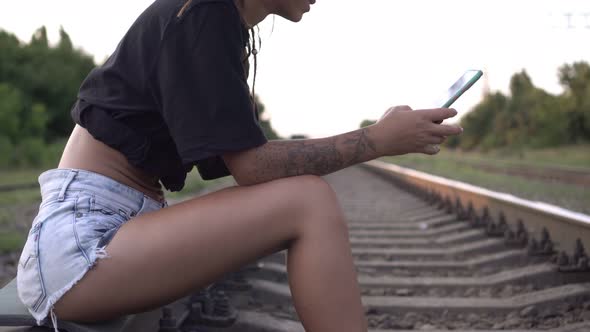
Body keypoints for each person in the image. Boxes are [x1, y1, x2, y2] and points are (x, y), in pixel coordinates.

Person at [16, 0, 463, 331]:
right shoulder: (203, 13)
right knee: (307, 201)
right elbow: (252, 167)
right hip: (82, 246)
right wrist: (375, 141)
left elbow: (247, 160)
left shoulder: (213, 22)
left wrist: (376, 136)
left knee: (300, 195)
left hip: (104, 230)